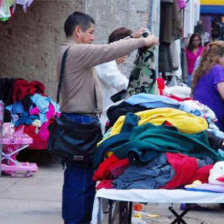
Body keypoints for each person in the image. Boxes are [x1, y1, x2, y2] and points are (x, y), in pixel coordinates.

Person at [57, 11, 159, 224]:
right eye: (91, 32)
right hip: (81, 124)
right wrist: (143, 41)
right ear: (78, 31)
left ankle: (73, 219)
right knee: (82, 178)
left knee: (75, 175)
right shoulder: (76, 52)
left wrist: (132, 39)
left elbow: (106, 49)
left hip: (74, 122)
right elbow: (107, 50)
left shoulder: (67, 52)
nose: (93, 37)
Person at [95, 27, 143, 129]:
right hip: (100, 117)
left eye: (128, 53)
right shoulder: (106, 62)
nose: (126, 56)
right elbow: (121, 83)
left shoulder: (109, 62)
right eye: (125, 51)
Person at [192, 41, 224, 131]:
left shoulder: (204, 70)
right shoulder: (218, 69)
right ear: (219, 58)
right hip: (215, 119)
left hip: (203, 117)